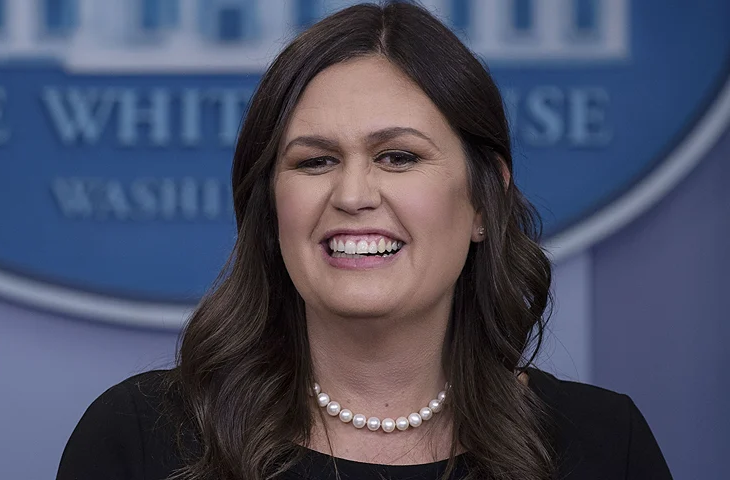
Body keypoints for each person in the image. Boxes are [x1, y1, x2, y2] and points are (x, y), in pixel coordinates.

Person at [56, 3, 672, 480]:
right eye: (315, 161)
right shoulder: (141, 437)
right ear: (271, 207)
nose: (353, 194)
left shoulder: (601, 443)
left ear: (487, 200)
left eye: (398, 156)